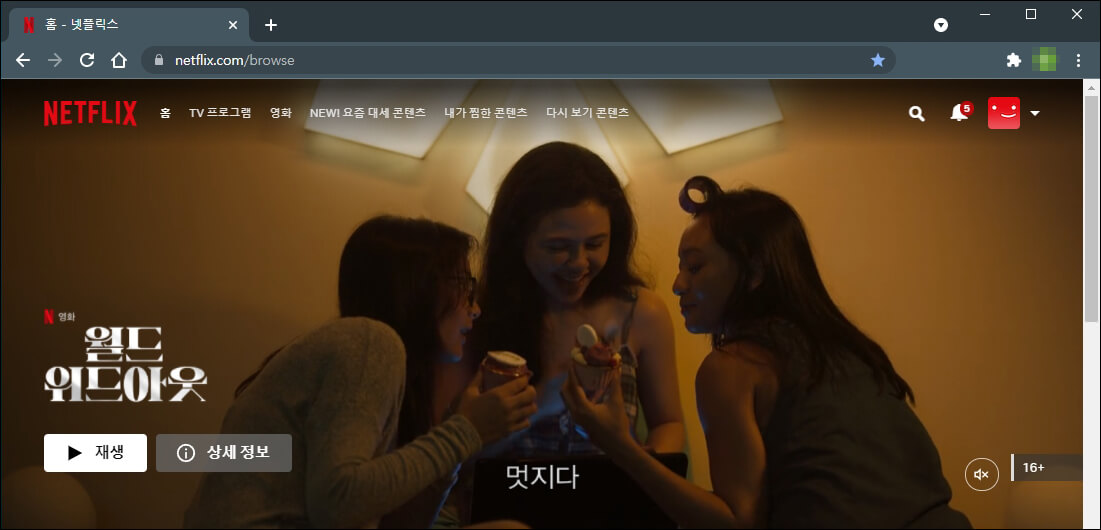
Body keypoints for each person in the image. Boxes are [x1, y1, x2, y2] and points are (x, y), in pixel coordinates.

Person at [562, 176, 972, 528]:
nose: (677, 284)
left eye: (695, 267)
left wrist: (619, 445)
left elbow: (738, 522)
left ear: (755, 271)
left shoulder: (733, 367)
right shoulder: (852, 349)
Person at [184, 216, 537, 529]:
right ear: (418, 285)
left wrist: (457, 438)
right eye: (464, 285)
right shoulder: (370, 341)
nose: (474, 308)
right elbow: (337, 503)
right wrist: (463, 432)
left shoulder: (375, 363)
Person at [446, 141, 685, 457]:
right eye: (558, 247)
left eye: (595, 244)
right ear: (518, 240)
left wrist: (645, 469)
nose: (579, 263)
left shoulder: (641, 312)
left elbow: (668, 423)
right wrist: (543, 400)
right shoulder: (475, 314)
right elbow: (449, 451)